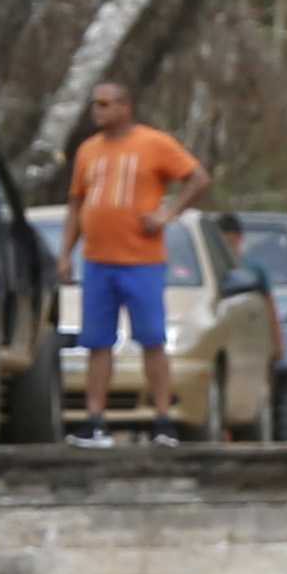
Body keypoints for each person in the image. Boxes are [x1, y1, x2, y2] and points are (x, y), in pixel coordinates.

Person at [64, 79, 206, 431]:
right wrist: (66, 252)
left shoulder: (153, 143)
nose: (98, 111)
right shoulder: (88, 150)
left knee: (151, 339)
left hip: (141, 262)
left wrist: (166, 214)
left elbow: (198, 178)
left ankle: (162, 418)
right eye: (95, 104)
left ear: (125, 107)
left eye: (106, 104)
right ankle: (94, 419)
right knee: (97, 343)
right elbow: (76, 202)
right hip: (97, 262)